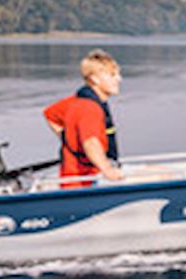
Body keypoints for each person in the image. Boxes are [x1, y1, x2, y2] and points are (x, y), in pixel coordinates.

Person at [44, 49, 126, 187]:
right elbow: (91, 143)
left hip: (86, 176)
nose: (119, 79)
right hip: (86, 183)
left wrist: (69, 139)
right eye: (112, 75)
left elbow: (50, 114)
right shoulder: (90, 109)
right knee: (163, 176)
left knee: (158, 171)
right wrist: (107, 170)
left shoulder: (75, 101)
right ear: (95, 79)